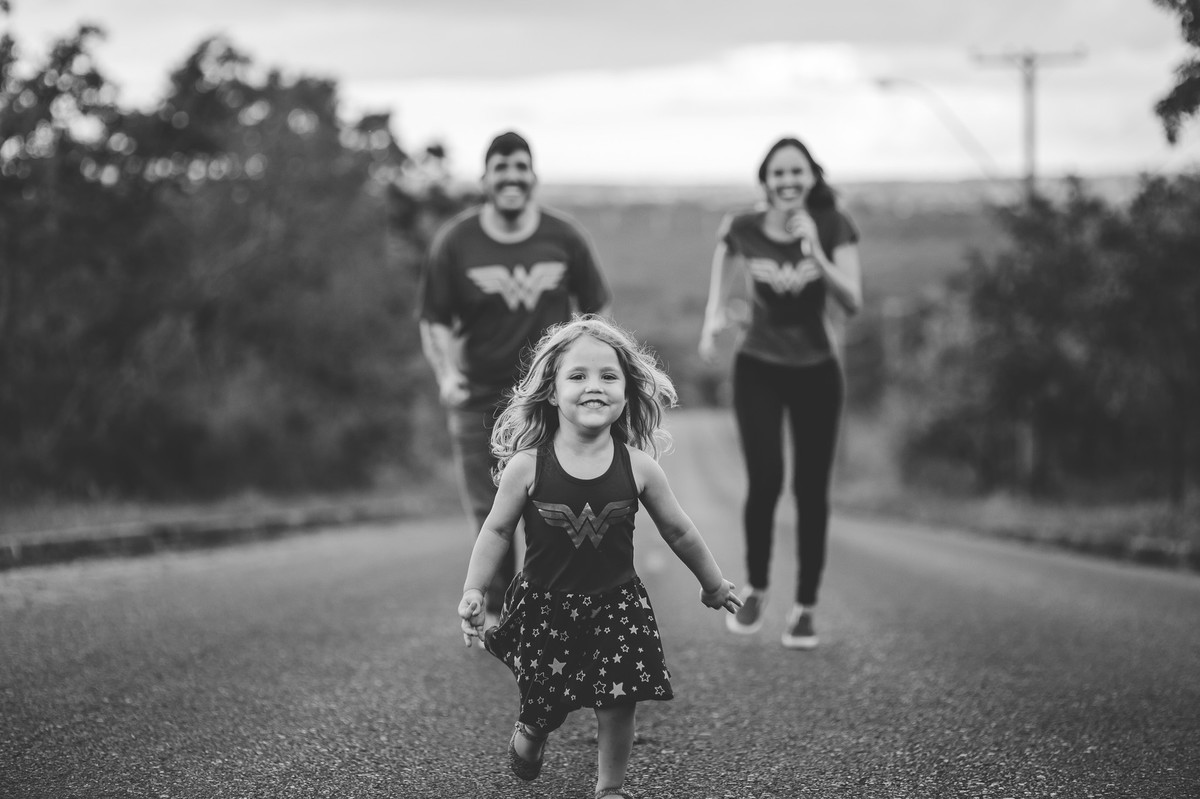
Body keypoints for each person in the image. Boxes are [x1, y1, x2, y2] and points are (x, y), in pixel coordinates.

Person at [457, 315, 741, 799]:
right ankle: (531, 732)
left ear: (627, 391)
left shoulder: (640, 467)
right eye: (578, 376)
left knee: (619, 701)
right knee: (544, 700)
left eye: (609, 376)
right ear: (551, 391)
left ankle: (609, 788)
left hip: (617, 607)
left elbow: (680, 530)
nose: (595, 386)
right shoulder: (528, 466)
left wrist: (713, 583)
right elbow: (497, 530)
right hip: (546, 609)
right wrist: (474, 590)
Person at [419, 131, 612, 620]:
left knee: (549, 511)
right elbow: (434, 320)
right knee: (491, 514)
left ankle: (549, 608)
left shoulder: (564, 237)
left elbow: (596, 314)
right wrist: (446, 375)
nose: (511, 178)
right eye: (501, 169)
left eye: (520, 168)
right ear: (485, 179)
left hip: (547, 404)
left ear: (534, 177)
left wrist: (594, 382)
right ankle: (503, 609)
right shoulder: (456, 241)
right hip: (477, 399)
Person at [698, 136, 863, 650]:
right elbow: (725, 253)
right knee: (766, 479)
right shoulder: (745, 226)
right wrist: (713, 317)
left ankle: (806, 607)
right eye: (779, 174)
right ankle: (758, 587)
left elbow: (852, 300)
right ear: (765, 181)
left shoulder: (834, 224)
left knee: (812, 490)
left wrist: (814, 248)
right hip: (759, 368)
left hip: (817, 370)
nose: (788, 182)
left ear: (812, 177)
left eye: (798, 173)